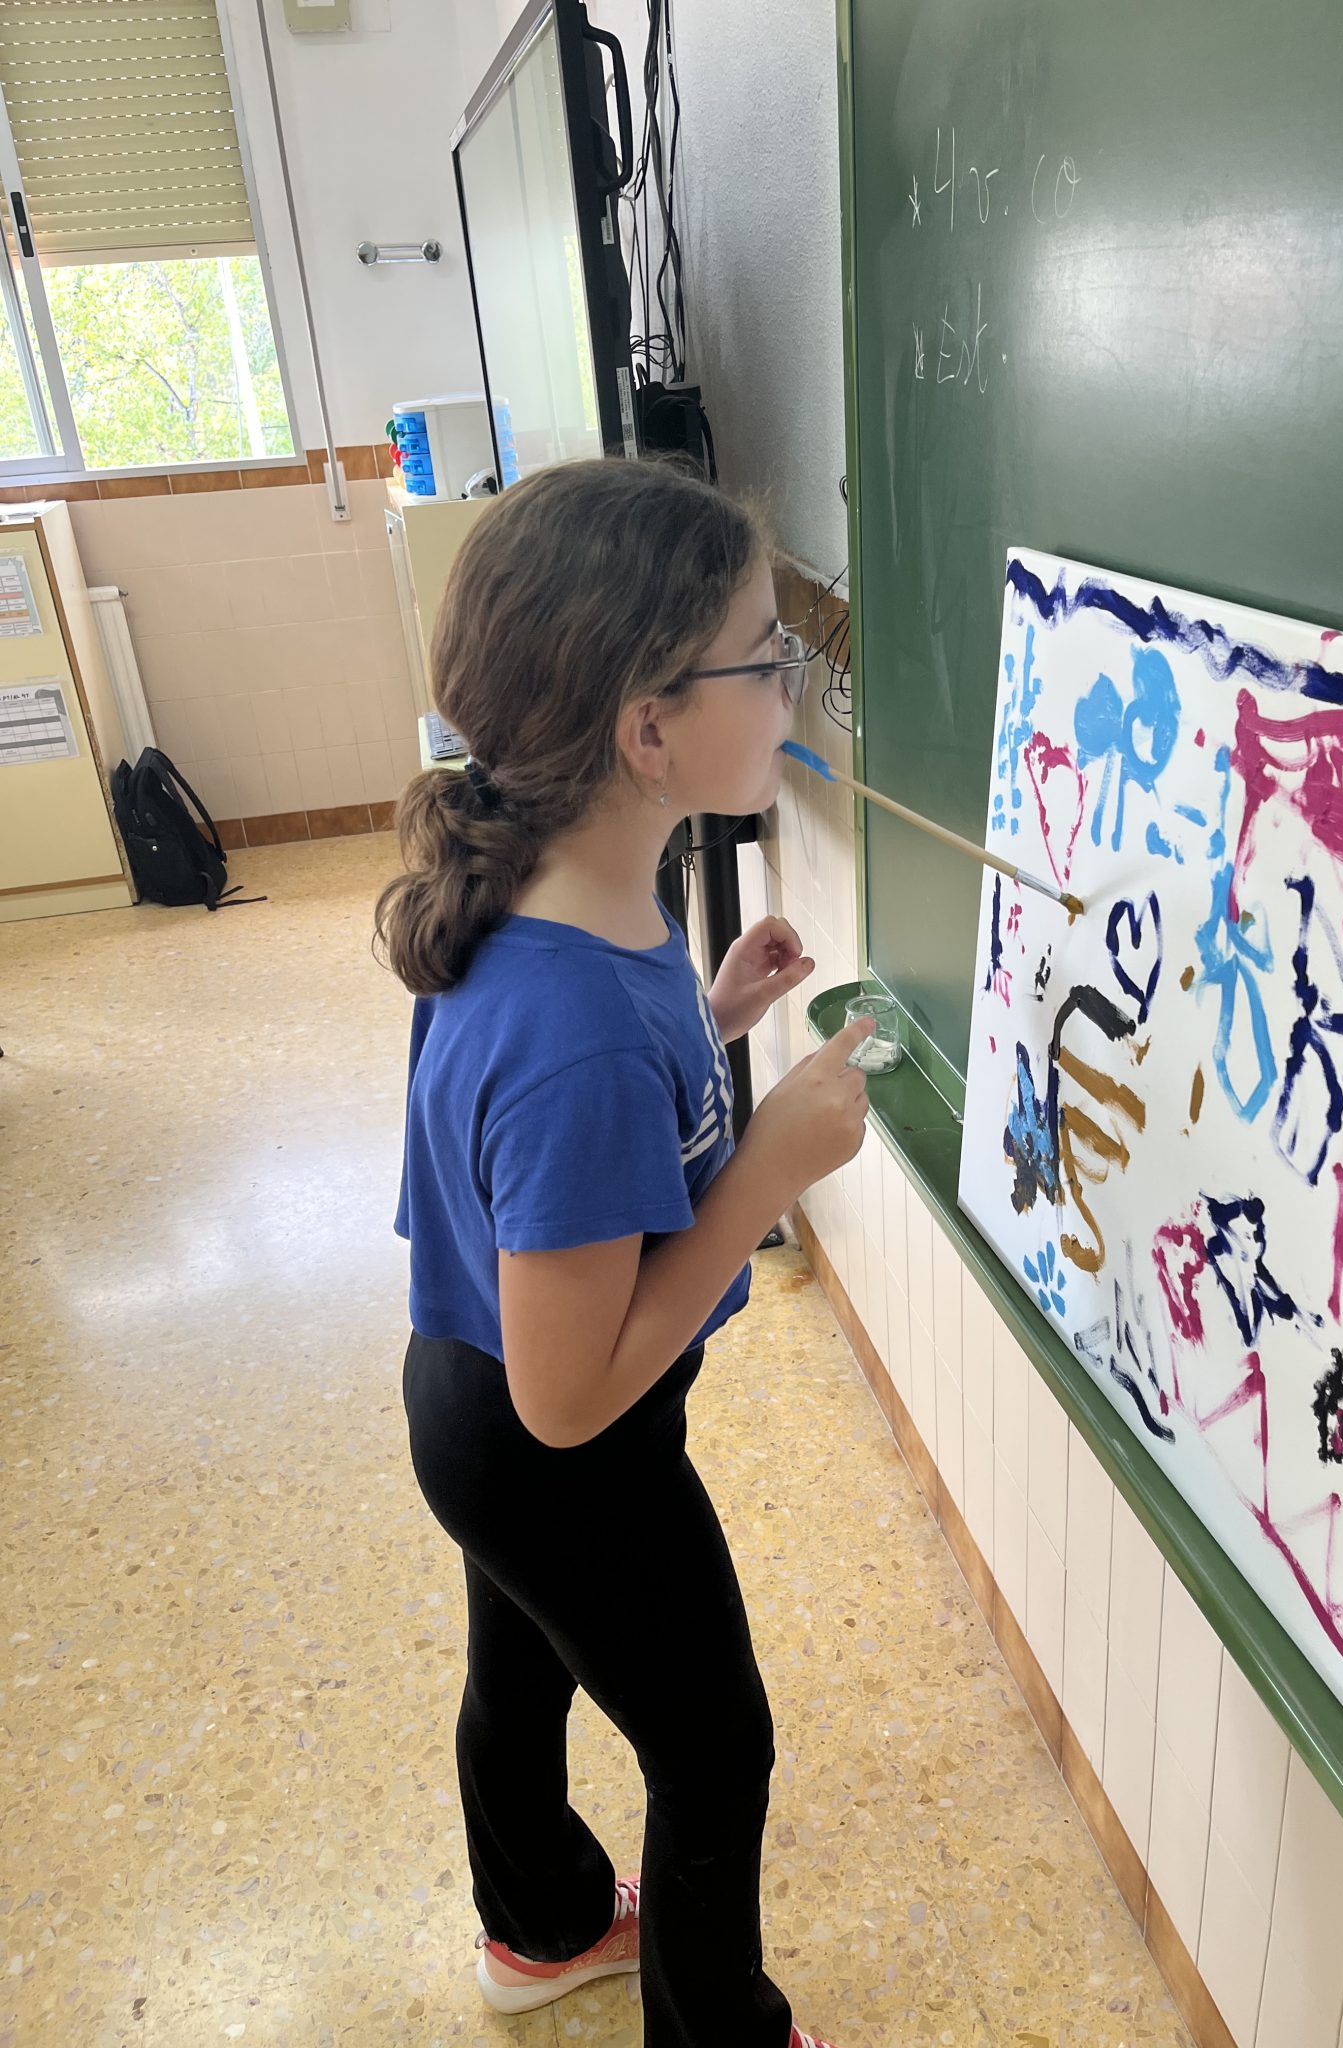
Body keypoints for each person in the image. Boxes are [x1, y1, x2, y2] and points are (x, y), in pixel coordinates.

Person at [378, 456, 874, 2048]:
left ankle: (539, 1929)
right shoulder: (572, 1029)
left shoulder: (572, 896)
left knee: (520, 1670)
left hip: (470, 1397)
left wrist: (711, 1019)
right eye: (762, 655)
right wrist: (766, 1168)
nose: (787, 683)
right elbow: (572, 1395)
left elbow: (572, 1144)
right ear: (648, 734)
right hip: (557, 1443)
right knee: (716, 1747)